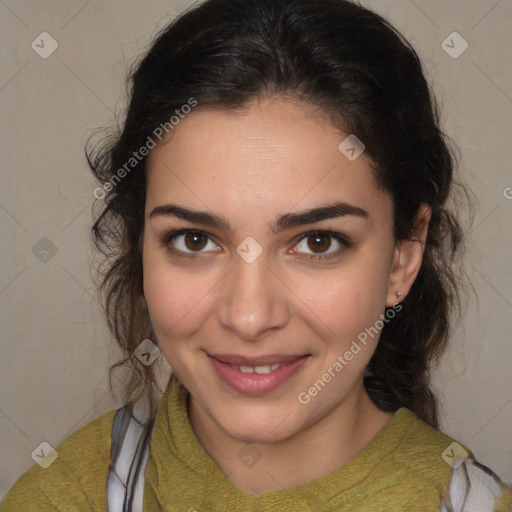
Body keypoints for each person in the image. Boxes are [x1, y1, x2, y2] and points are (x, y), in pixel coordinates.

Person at [1, 0, 511, 511]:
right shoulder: (57, 498)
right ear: (140, 246)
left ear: (404, 256)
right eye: (194, 240)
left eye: (317, 242)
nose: (248, 317)